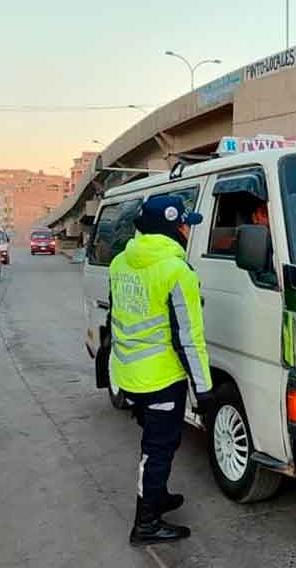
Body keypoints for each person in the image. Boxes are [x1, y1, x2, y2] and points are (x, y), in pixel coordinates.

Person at [107, 195, 213, 546]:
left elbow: (117, 317)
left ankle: (158, 495)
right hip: (161, 378)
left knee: (158, 443)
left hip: (129, 373)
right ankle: (146, 524)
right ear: (172, 227)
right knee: (158, 449)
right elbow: (189, 338)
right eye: (185, 223)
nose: (187, 229)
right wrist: (204, 391)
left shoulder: (121, 262)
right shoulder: (176, 272)